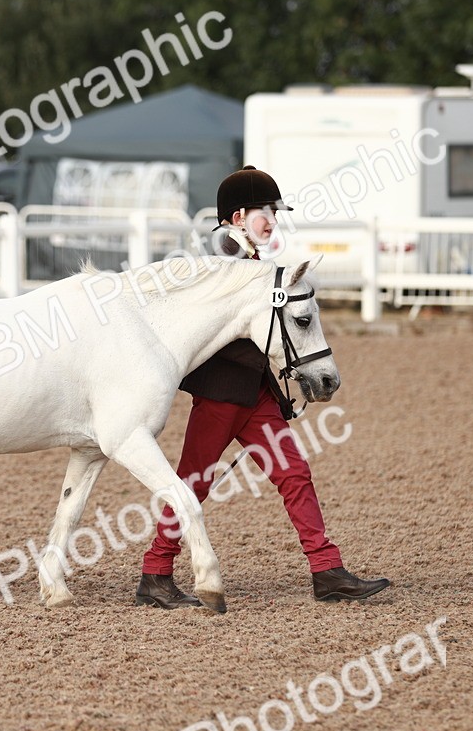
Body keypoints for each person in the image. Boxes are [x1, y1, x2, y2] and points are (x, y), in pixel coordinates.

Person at [134, 166, 390, 610]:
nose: (272, 220)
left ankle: (326, 570)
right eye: (264, 212)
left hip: (255, 397)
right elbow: (206, 332)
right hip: (219, 395)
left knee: (293, 474)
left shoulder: (257, 266)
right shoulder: (217, 266)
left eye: (274, 212)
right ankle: (155, 574)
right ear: (237, 217)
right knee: (192, 483)